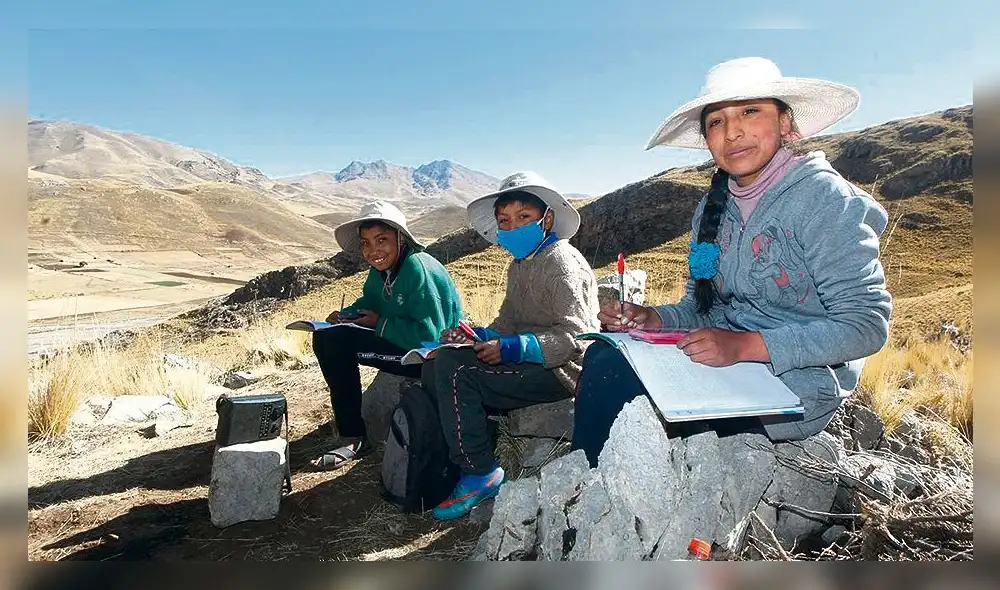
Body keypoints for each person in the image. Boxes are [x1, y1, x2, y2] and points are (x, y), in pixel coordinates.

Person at [571, 57, 893, 468]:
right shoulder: (710, 209)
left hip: (795, 381)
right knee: (607, 358)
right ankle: (587, 487)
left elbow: (864, 326)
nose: (733, 130)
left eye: (750, 111)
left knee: (685, 438)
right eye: (716, 122)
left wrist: (745, 346)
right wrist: (653, 319)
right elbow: (699, 306)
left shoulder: (825, 201)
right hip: (721, 357)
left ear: (786, 123)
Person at [421, 171, 600, 520]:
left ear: (546, 219)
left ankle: (480, 472)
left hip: (561, 372)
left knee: (453, 370)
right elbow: (508, 322)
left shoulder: (561, 263)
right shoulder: (519, 265)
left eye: (524, 218)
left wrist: (513, 348)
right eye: (505, 221)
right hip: (530, 360)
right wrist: (475, 335)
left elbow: (576, 338)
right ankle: (464, 448)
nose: (513, 227)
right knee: (439, 359)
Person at [310, 200, 464, 470]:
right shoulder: (382, 271)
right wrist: (346, 316)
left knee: (336, 345)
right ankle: (352, 429)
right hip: (403, 341)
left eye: (382, 240)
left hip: (430, 358)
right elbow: (370, 302)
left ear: (401, 238)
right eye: (366, 243)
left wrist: (379, 324)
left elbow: (431, 336)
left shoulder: (418, 268)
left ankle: (353, 437)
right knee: (327, 336)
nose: (373, 250)